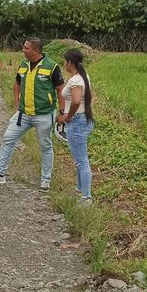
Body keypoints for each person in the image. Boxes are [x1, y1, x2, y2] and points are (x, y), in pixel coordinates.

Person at [0, 37, 64, 191]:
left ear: (36, 51)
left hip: (44, 115)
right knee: (8, 138)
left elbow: (60, 89)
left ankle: (45, 181)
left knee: (45, 146)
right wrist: (17, 103)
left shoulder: (52, 66)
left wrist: (62, 112)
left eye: (26, 48)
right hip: (23, 114)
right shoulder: (24, 65)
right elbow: (17, 83)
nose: (23, 50)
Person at [59, 48, 94, 204]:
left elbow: (76, 100)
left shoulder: (75, 81)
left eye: (64, 61)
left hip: (77, 122)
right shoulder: (84, 77)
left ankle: (86, 197)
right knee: (80, 159)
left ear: (69, 63)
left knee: (81, 161)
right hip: (84, 119)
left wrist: (68, 116)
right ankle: (80, 190)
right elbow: (88, 97)